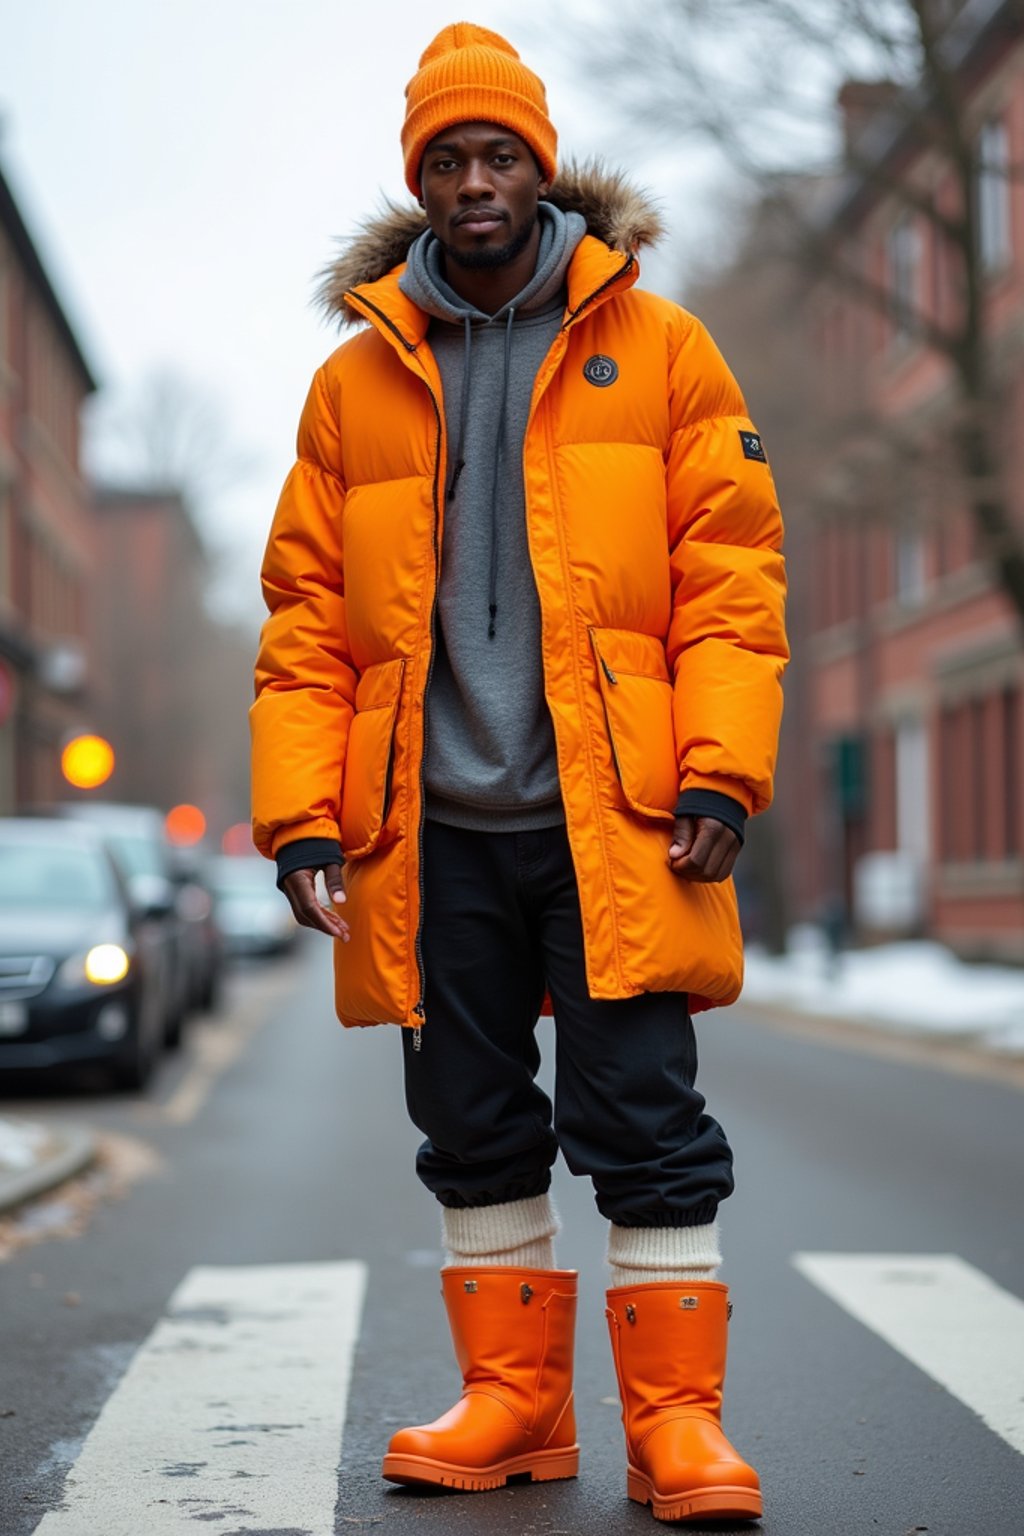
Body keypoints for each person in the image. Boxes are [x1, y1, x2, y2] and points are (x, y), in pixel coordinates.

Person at [251, 21, 787, 1524]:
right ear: (417, 181)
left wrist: (718, 773)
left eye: (499, 157)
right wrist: (303, 817)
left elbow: (732, 579)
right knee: (472, 1119)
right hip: (429, 830)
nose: (474, 182)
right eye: (447, 160)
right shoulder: (354, 382)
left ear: (539, 173)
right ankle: (515, 1406)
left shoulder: (661, 346)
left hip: (612, 815)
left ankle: (680, 1427)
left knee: (642, 1112)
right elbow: (304, 624)